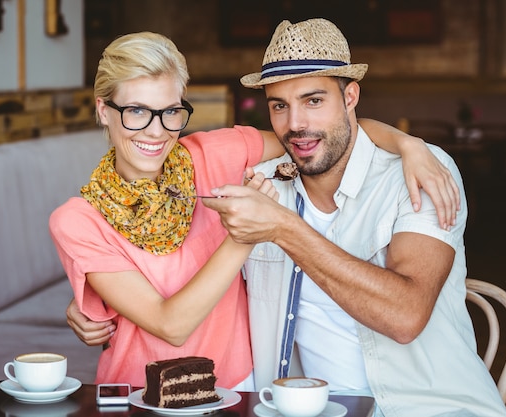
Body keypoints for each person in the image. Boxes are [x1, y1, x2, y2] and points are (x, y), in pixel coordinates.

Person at [54, 30, 460, 393]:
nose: (157, 131)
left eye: (171, 112)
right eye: (136, 111)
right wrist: (247, 233)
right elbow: (170, 325)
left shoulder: (215, 156)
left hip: (237, 389)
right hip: (135, 393)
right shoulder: (77, 220)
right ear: (104, 110)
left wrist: (409, 144)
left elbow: (315, 138)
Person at [201, 19, 506, 416]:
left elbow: (405, 316)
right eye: (279, 105)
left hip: (427, 408)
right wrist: (104, 307)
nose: (295, 124)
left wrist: (285, 228)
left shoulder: (417, 175)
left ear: (350, 97)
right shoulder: (265, 186)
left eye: (313, 101)